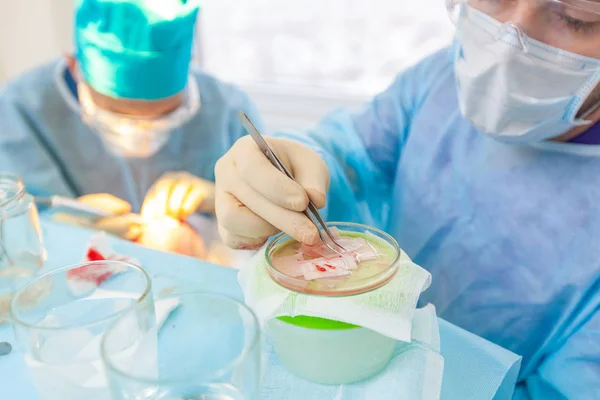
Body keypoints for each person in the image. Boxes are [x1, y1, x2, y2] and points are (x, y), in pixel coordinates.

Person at [215, 1, 600, 398]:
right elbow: (351, 153)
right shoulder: (442, 80)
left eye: (576, 18)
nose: (508, 38)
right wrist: (288, 168)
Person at [0, 0, 262, 259]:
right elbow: (12, 234)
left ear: (190, 63)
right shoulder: (19, 113)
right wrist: (57, 230)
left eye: (165, 118)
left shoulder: (227, 109)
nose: (144, 142)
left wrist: (230, 199)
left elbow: (276, 224)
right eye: (118, 118)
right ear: (74, 66)